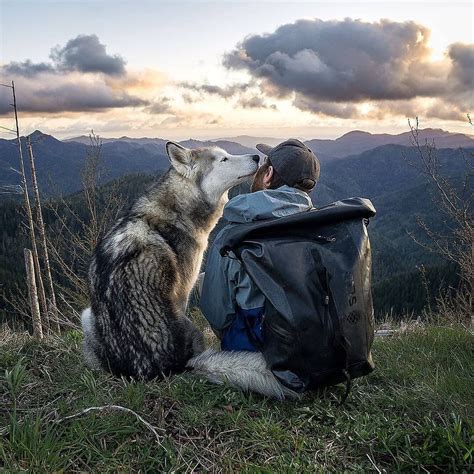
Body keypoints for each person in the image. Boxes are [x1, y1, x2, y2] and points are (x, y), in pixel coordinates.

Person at [200, 138, 320, 351]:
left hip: (261, 349)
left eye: (264, 163)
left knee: (204, 281)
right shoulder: (322, 226)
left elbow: (218, 316)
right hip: (314, 346)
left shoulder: (234, 236)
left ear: (268, 175)